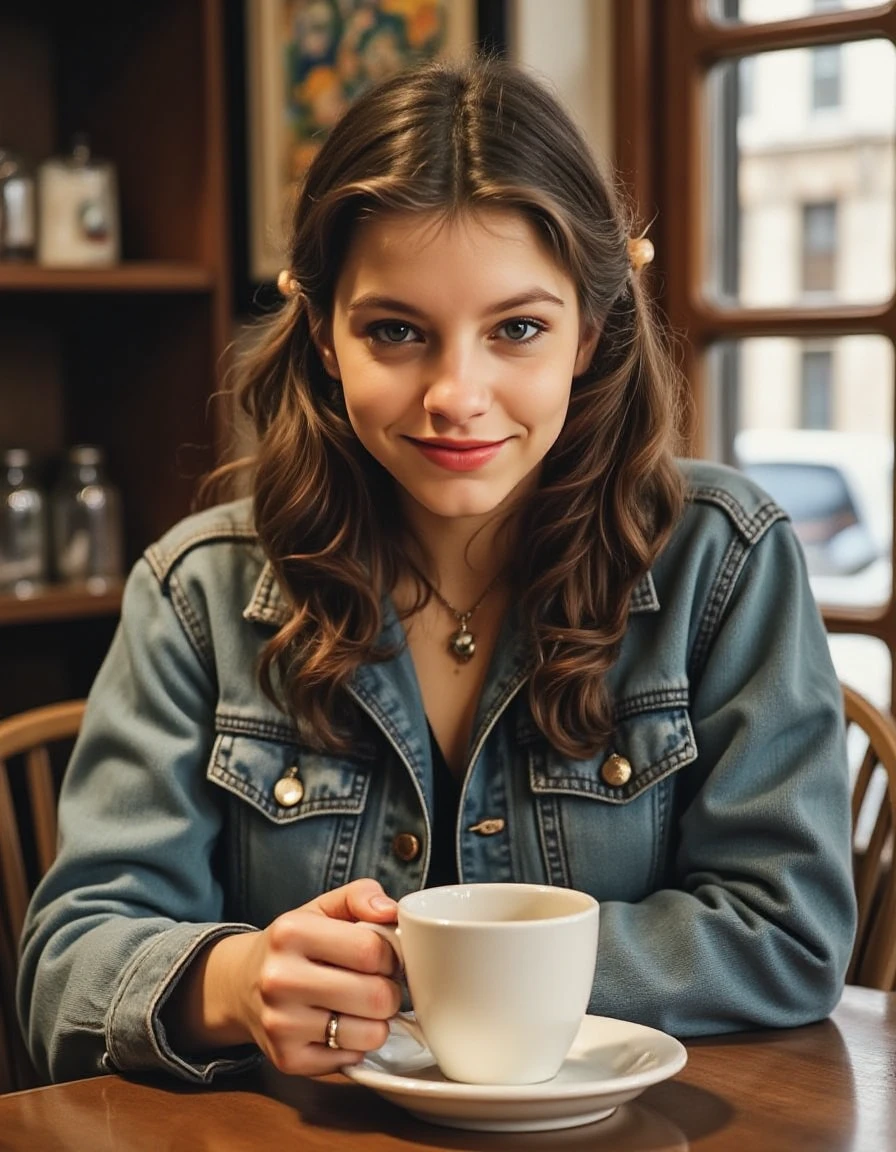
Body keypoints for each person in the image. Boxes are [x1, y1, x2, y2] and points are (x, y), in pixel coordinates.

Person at [18, 55, 856, 1086]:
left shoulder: (723, 562)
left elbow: (787, 933)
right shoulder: (198, 592)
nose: (456, 394)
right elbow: (67, 966)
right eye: (396, 331)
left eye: (516, 329)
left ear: (588, 335)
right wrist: (233, 980)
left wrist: (428, 973)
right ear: (324, 335)